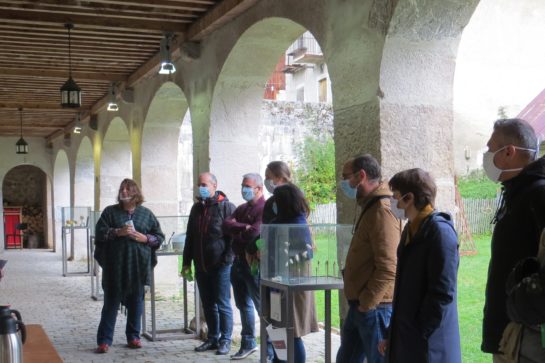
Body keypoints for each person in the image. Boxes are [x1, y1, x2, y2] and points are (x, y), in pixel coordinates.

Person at [378, 168, 461, 363]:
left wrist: (419, 332)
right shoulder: (411, 229)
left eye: (395, 196)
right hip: (408, 338)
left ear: (409, 198)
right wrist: (393, 333)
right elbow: (405, 288)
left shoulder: (440, 233)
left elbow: (442, 292)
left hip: (429, 346)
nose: (392, 202)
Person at [480, 118, 545, 363]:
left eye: (490, 148)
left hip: (525, 335)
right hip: (512, 332)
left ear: (509, 151)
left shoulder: (538, 194)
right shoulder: (518, 193)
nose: (487, 155)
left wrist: (524, 307)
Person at [336, 155, 401, 363]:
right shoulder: (370, 206)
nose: (343, 183)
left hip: (375, 307)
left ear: (361, 176)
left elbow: (390, 265)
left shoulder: (382, 210)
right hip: (361, 305)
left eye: (345, 177)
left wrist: (368, 303)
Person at [94, 178, 165, 354]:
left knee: (136, 302)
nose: (124, 191)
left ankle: (133, 337)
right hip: (116, 267)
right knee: (111, 303)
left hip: (138, 266)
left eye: (128, 189)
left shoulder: (146, 214)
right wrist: (117, 232)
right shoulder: (110, 212)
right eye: (122, 189)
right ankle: (104, 341)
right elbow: (100, 233)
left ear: (136, 193)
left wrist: (146, 238)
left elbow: (159, 236)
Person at [182, 172, 236, 356]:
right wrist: (187, 262)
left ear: (214, 185)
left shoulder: (226, 207)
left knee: (223, 303)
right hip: (201, 265)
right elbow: (190, 236)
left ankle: (226, 339)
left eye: (205, 184)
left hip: (220, 265)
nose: (201, 188)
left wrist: (226, 260)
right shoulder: (196, 208)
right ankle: (213, 337)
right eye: (199, 184)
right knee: (208, 304)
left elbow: (232, 238)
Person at [267, 181, 318, 363]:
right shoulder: (280, 222)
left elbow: (305, 252)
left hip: (292, 285)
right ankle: (280, 360)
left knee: (291, 332)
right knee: (277, 328)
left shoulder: (297, 223)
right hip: (277, 283)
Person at [222, 173, 265, 360]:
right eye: (243, 185)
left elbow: (255, 233)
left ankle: (270, 349)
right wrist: (244, 228)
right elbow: (226, 225)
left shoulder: (264, 208)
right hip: (237, 262)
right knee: (242, 304)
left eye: (248, 186)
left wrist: (239, 231)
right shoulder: (241, 208)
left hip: (253, 263)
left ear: (259, 188)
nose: (244, 189)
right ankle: (248, 343)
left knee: (261, 306)